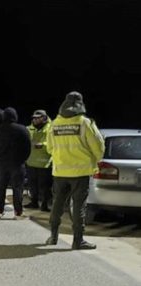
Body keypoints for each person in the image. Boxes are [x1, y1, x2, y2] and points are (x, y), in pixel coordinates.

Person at [45, 92, 105, 250]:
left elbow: (49, 148)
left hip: (59, 172)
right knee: (79, 207)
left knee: (57, 204)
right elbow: (98, 148)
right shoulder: (84, 123)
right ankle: (78, 241)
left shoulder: (54, 124)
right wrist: (94, 158)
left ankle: (53, 236)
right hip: (80, 173)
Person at [0, 107, 31, 219]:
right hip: (17, 163)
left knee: (1, 187)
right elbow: (28, 147)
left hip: (1, 163)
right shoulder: (22, 129)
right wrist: (23, 159)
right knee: (17, 188)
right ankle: (18, 212)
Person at [24, 109, 53, 211]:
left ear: (44, 118)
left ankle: (45, 205)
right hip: (31, 162)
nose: (35, 120)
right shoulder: (29, 129)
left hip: (45, 163)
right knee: (32, 185)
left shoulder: (51, 129)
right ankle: (34, 202)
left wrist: (43, 145)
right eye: (34, 118)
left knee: (45, 186)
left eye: (38, 118)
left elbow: (54, 144)